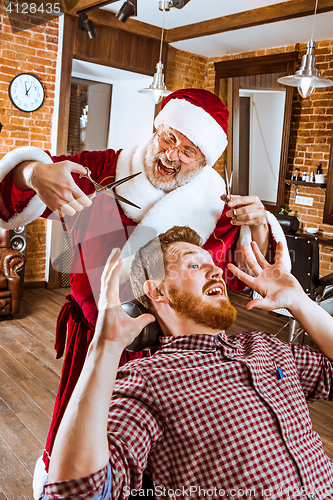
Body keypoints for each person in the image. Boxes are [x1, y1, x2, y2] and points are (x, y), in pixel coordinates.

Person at [0, 89, 289, 477]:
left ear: (206, 162)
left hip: (174, 359)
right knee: (77, 461)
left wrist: (255, 225)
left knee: (158, 467)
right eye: (169, 138)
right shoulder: (99, 170)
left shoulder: (217, 207)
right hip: (97, 342)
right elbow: (8, 197)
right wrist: (33, 172)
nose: (172, 155)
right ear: (157, 129)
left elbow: (244, 279)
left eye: (189, 151)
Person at [39, 225, 333, 500]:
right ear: (158, 292)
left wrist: (299, 301)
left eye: (211, 262)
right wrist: (103, 349)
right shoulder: (147, 381)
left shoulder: (265, 347)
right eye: (194, 265)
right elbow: (77, 492)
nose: (216, 270)